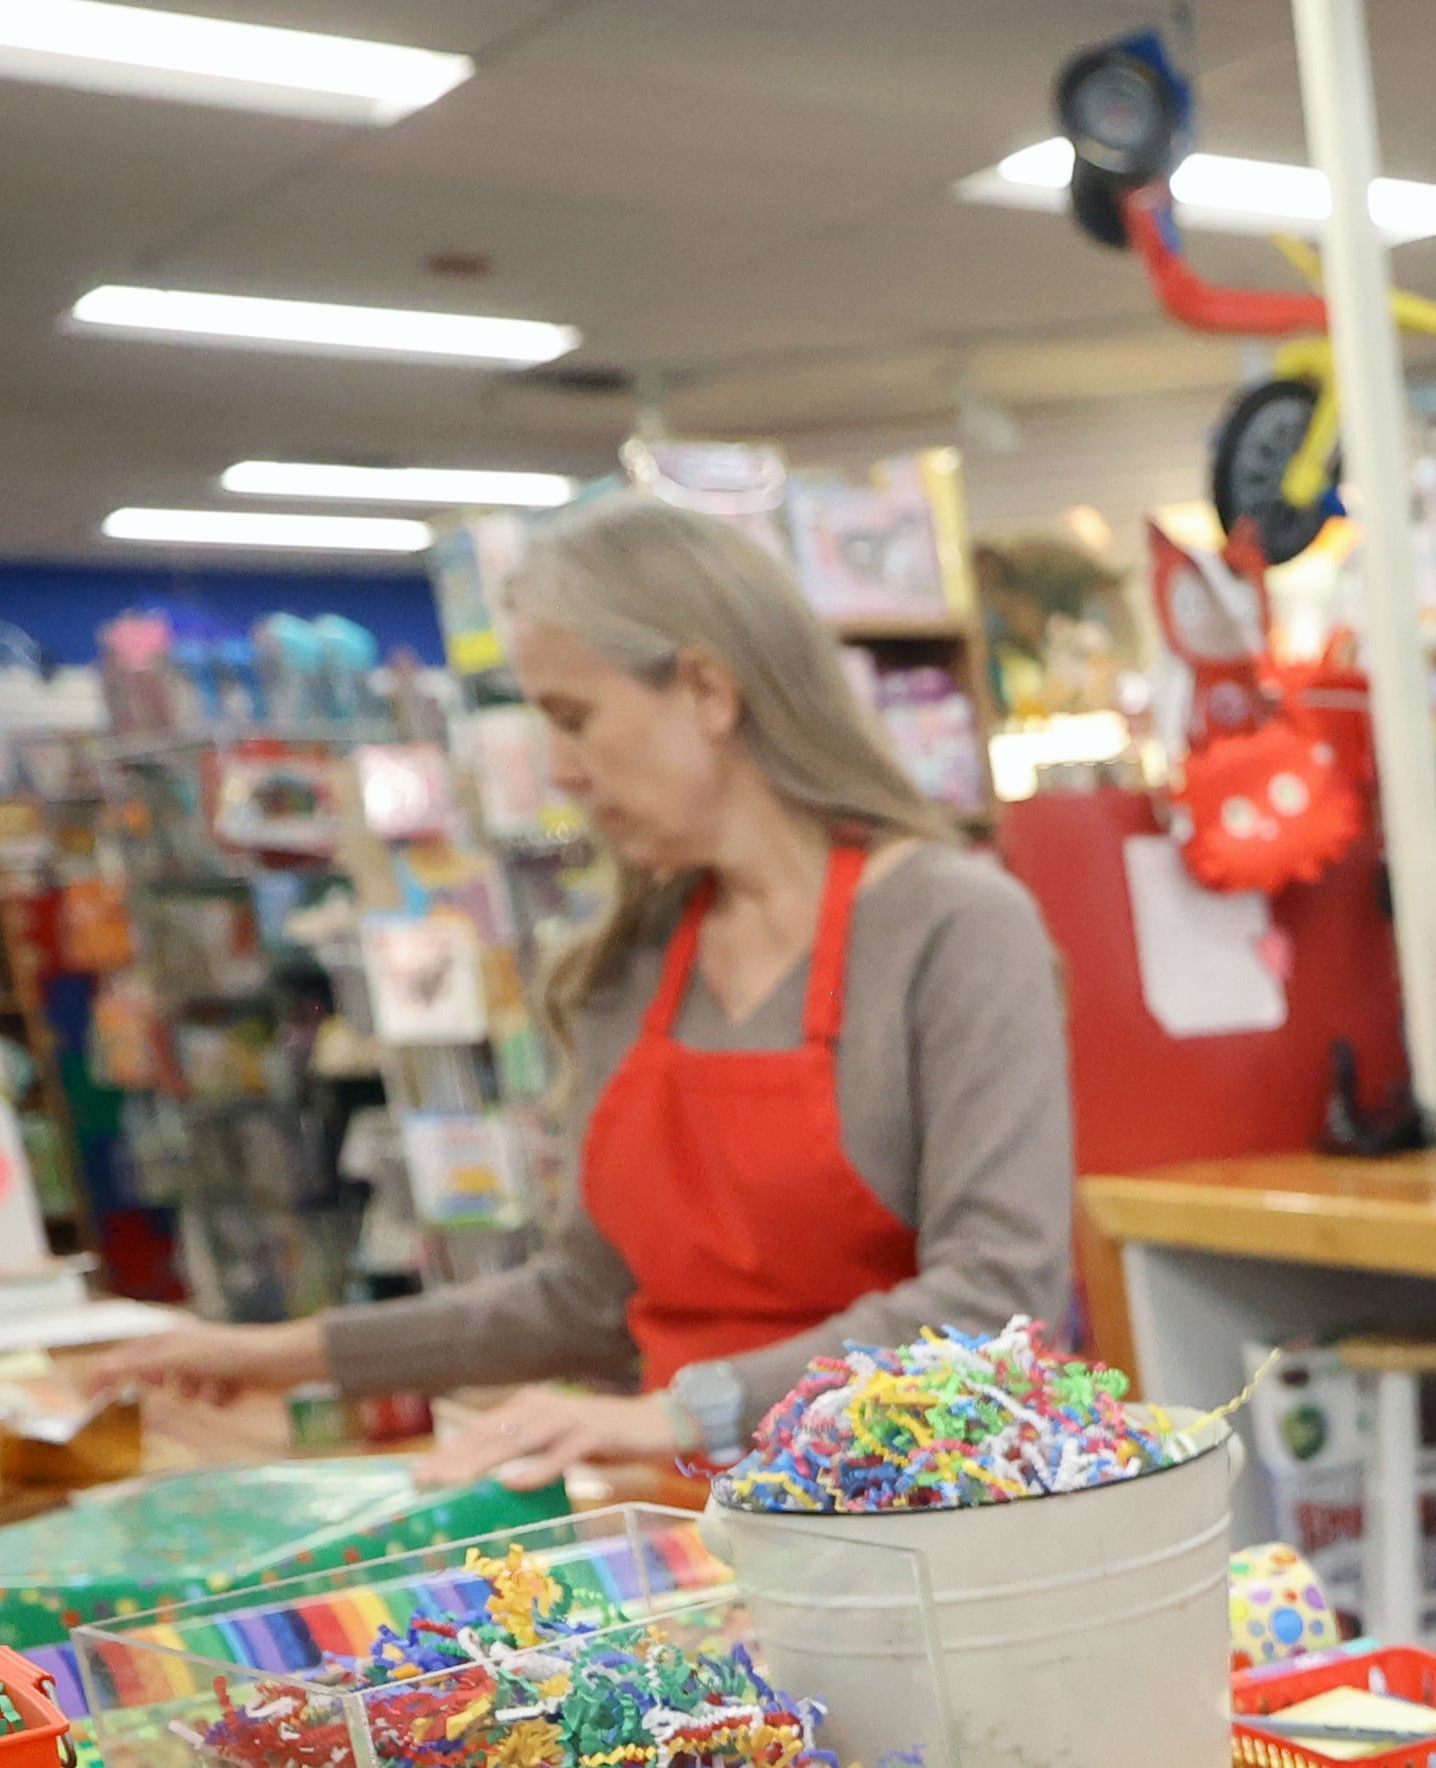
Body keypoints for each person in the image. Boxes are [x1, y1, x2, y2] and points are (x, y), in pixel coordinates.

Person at [99, 494, 1076, 1489]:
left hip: (939, 1508)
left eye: (575, 719)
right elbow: (586, 1297)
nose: (559, 771)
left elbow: (994, 1294)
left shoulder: (954, 928)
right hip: (705, 1516)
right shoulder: (627, 964)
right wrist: (289, 1354)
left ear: (705, 688)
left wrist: (684, 1412)